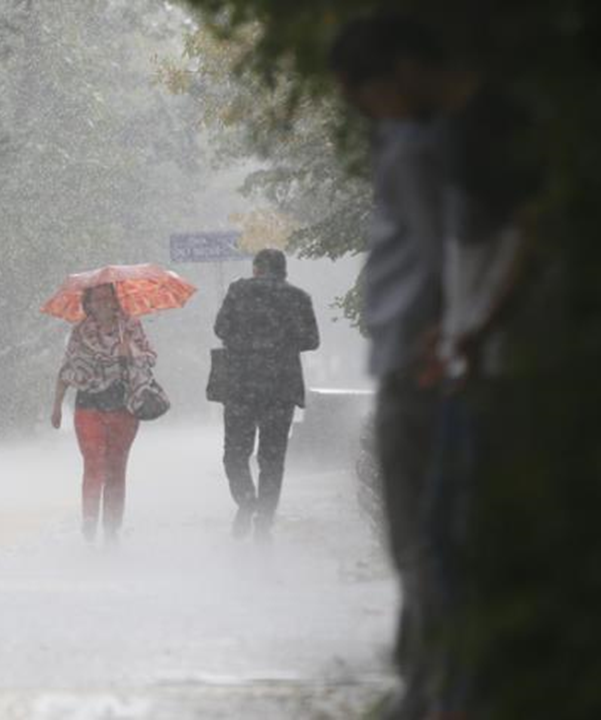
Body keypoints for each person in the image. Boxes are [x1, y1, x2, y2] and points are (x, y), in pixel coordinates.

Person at [328, 14, 456, 720]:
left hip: (420, 362)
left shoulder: (412, 151)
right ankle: (428, 682)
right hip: (422, 359)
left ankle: (431, 688)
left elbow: (444, 257)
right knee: (424, 534)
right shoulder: (429, 144)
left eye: (355, 91)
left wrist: (450, 335)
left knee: (419, 535)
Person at [212, 248, 319, 543]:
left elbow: (220, 328)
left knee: (235, 453)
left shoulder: (238, 291)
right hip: (280, 388)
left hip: (240, 387)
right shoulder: (299, 297)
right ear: (283, 270)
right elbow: (312, 340)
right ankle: (265, 520)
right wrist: (280, 340)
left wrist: (246, 339)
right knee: (272, 458)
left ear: (257, 268)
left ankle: (247, 501)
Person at [51, 283, 157, 544]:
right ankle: (89, 520)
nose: (103, 303)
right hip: (89, 404)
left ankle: (111, 527)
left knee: (116, 468)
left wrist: (129, 352)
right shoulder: (80, 332)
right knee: (93, 463)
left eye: (108, 298)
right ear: (88, 303)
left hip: (123, 405)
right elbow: (67, 368)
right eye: (96, 299)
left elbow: (150, 357)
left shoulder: (130, 327)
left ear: (116, 300)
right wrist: (56, 406)